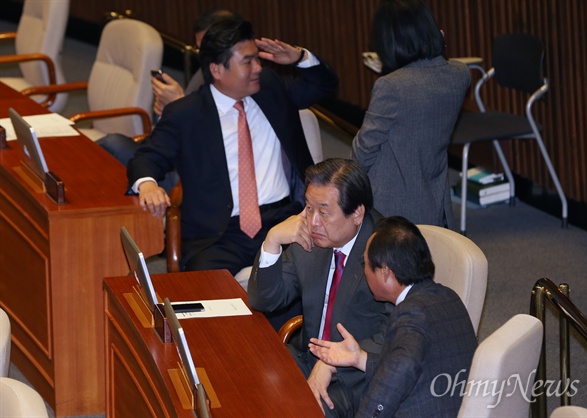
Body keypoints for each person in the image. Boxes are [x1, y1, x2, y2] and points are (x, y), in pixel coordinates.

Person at [127, 17, 339, 276]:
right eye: (247, 62)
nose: (258, 68)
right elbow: (147, 156)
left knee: (301, 283)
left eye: (257, 59)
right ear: (217, 70)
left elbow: (324, 86)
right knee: (205, 296)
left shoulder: (270, 88)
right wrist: (147, 184)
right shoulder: (186, 113)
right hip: (220, 235)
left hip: (286, 220)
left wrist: (300, 57)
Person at [247, 158, 393, 418]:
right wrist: (272, 241)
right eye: (308, 207)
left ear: (357, 214)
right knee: (245, 380)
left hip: (353, 376)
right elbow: (265, 300)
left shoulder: (384, 250)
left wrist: (332, 363)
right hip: (307, 357)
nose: (312, 221)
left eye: (323, 212)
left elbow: (397, 331)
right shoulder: (310, 238)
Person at [308, 216, 478, 417]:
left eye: (366, 263)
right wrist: (361, 359)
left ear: (385, 272)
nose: (364, 271)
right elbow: (414, 365)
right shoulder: (449, 297)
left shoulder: (410, 315)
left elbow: (403, 368)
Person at [352, 0, 470, 229]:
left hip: (389, 205)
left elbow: (362, 154)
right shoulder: (460, 75)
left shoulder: (390, 87)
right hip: (434, 198)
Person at [97, 8, 239, 194]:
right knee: (108, 149)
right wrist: (166, 111)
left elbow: (220, 147)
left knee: (112, 144)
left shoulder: (241, 87)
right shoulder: (206, 70)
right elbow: (169, 134)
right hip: (169, 158)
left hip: (188, 178)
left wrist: (180, 104)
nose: (203, 55)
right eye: (200, 48)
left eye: (208, 47)